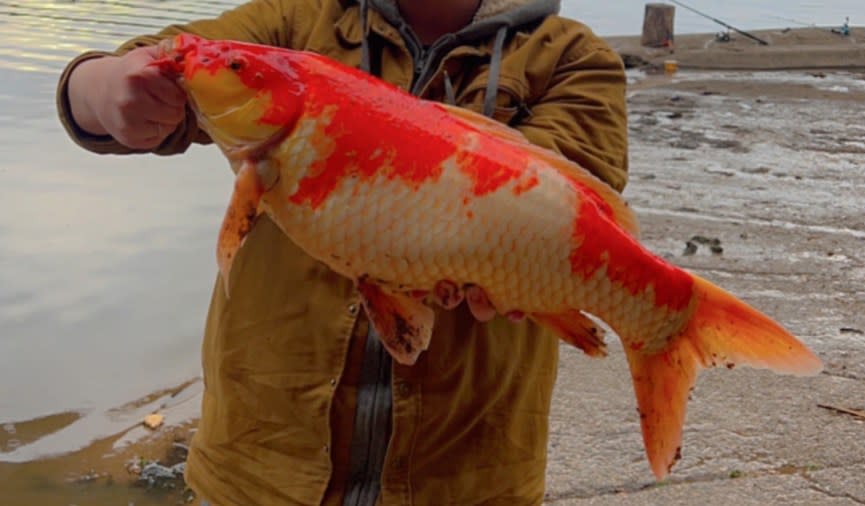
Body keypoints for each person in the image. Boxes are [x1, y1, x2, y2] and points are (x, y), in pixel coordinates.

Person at [57, 0, 628, 504]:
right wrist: (102, 87)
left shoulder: (574, 58)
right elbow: (160, 62)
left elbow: (580, 197)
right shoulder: (295, 21)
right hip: (256, 477)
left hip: (468, 482)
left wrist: (494, 266)